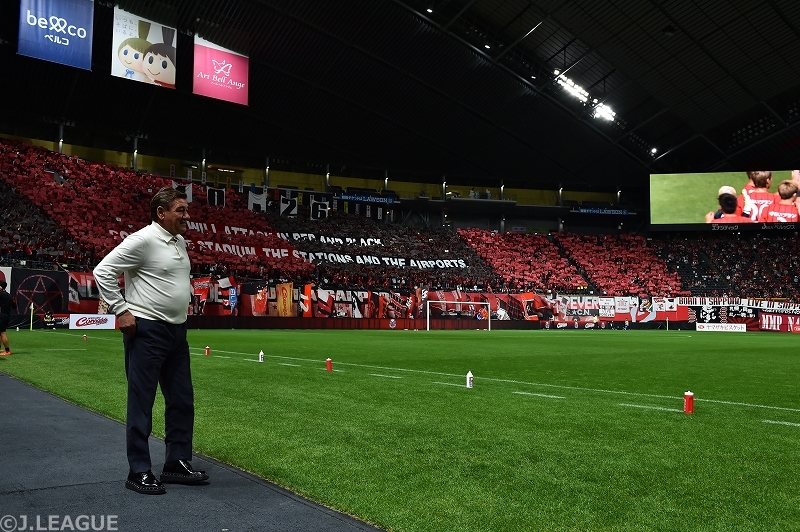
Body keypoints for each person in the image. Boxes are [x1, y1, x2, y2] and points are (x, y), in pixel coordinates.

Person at [93, 187, 207, 495]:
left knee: (182, 400)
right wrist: (121, 311)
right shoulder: (142, 240)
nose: (187, 215)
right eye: (180, 210)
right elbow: (103, 271)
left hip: (177, 332)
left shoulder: (179, 241)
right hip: (147, 330)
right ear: (161, 212)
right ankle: (139, 470)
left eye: (186, 209)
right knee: (142, 402)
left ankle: (176, 463)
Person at [0, 280, 12, 355]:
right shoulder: (9, 296)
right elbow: (13, 306)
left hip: (1, 315)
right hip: (6, 315)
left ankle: (7, 351)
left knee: (2, 333)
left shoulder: (0, 295)